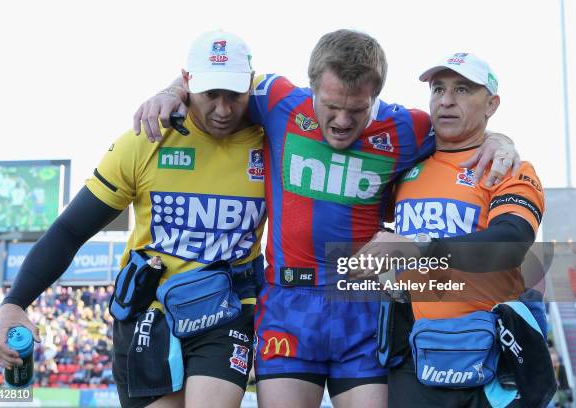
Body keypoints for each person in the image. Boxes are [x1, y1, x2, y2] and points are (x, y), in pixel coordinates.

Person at [132, 31, 521, 408]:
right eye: (330, 106)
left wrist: (500, 139)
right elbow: (215, 81)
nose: (340, 121)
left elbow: (463, 132)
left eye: (356, 110)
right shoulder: (277, 99)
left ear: (376, 97)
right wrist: (171, 91)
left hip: (361, 306)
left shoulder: (408, 128)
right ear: (311, 88)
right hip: (288, 306)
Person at [0, 30, 266, 408]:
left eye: (234, 94)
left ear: (251, 85)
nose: (222, 109)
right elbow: (71, 230)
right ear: (188, 82)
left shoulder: (272, 136)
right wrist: (14, 303)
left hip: (226, 308)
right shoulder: (145, 139)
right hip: (149, 312)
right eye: (210, 94)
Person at [353, 53, 547, 407]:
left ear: (492, 104)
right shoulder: (406, 167)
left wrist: (418, 247)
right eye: (438, 89)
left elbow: (510, 243)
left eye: (462, 89)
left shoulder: (509, 168)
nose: (445, 100)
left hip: (492, 355)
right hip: (416, 356)